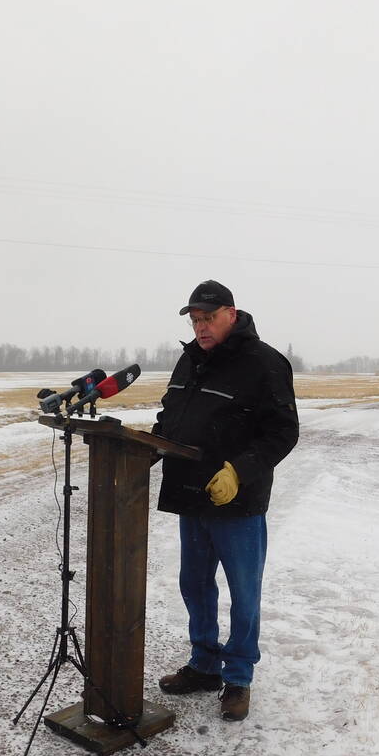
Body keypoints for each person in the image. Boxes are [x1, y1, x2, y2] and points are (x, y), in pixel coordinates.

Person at [151, 280, 298, 721]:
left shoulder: (265, 363)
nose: (200, 327)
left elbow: (282, 432)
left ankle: (238, 678)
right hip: (190, 497)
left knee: (243, 592)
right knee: (194, 586)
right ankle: (204, 665)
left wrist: (239, 471)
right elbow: (170, 414)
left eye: (207, 318)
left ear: (231, 314)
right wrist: (145, 449)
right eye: (194, 320)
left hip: (237, 504)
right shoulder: (190, 360)